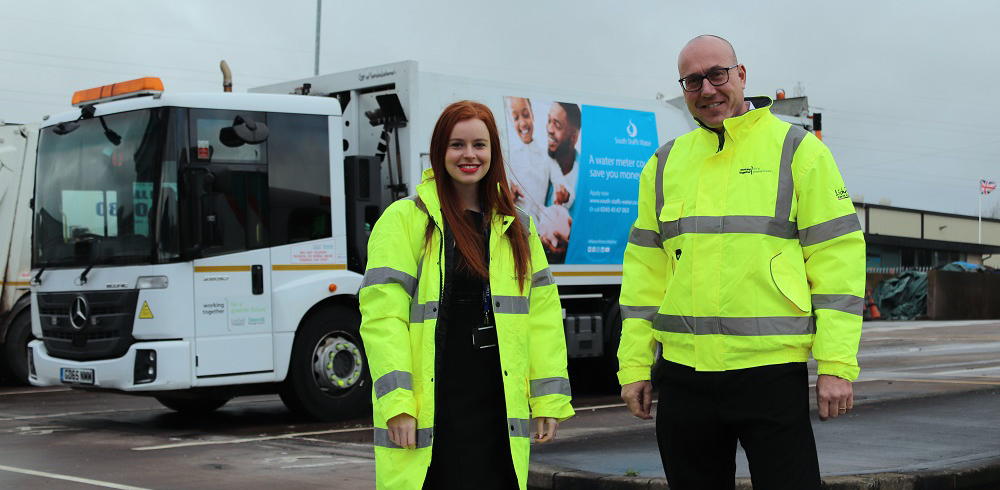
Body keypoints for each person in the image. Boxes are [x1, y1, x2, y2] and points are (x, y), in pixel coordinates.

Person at [617, 35, 865, 490]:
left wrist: (835, 363)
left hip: (769, 373)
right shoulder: (664, 163)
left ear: (742, 75)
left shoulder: (798, 150)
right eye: (693, 80)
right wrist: (633, 366)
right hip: (684, 377)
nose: (707, 89)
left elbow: (837, 261)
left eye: (717, 74)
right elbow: (644, 276)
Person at [360, 100, 574, 490]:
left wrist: (547, 401)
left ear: (493, 151)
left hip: (499, 402)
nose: (469, 155)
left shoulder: (518, 227)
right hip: (438, 404)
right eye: (457, 145)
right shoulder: (404, 220)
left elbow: (542, 319)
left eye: (480, 144)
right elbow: (382, 318)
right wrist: (397, 404)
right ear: (440, 151)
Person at [504, 96, 570, 226]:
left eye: (526, 115)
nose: (523, 123)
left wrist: (564, 194)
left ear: (532, 115)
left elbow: (563, 185)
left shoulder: (546, 156)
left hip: (538, 230)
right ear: (511, 121)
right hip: (512, 228)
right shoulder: (505, 156)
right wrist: (507, 195)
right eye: (516, 118)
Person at [538, 101, 581, 261]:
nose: (549, 129)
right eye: (549, 121)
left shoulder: (585, 175)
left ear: (573, 137)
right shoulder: (540, 163)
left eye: (557, 125)